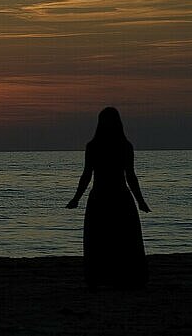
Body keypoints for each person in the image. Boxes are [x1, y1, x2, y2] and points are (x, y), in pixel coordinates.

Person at [66, 107, 151, 289]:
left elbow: (88, 175)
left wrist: (77, 198)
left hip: (103, 198)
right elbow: (129, 176)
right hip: (117, 197)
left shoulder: (95, 146)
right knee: (121, 239)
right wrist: (140, 200)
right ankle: (124, 276)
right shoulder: (123, 146)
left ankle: (102, 276)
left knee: (102, 239)